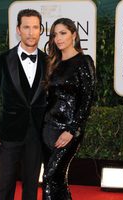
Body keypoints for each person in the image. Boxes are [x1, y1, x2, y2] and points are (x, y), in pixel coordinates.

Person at [0, 9, 47, 200]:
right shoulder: (2, 59)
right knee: (5, 185)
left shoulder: (48, 61)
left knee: (31, 186)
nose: (31, 32)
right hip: (8, 133)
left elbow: (53, 100)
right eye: (26, 27)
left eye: (35, 27)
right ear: (18, 30)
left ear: (41, 30)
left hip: (37, 133)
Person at [42, 18, 96, 200]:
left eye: (63, 33)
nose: (58, 38)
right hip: (48, 128)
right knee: (58, 179)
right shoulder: (52, 64)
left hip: (68, 131)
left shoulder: (84, 61)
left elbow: (87, 99)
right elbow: (47, 99)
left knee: (48, 177)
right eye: (55, 34)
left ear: (74, 35)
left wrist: (72, 129)